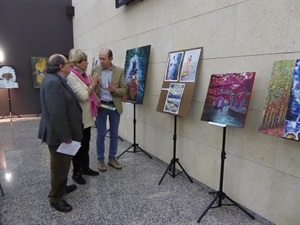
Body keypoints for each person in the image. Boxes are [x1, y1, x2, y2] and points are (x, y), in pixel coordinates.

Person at [38, 54, 83, 213]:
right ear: (60, 66)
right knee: (59, 167)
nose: (70, 65)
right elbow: (56, 113)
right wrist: (66, 137)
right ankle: (56, 198)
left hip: (61, 133)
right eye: (67, 63)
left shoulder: (56, 80)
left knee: (63, 165)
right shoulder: (52, 82)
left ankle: (62, 188)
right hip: (59, 135)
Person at [67, 49, 100, 185]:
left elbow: (90, 93)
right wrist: (93, 84)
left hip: (87, 117)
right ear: (77, 62)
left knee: (85, 145)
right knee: (78, 147)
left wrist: (95, 90)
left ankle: (85, 168)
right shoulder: (71, 76)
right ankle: (76, 173)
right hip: (79, 119)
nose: (87, 63)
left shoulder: (83, 74)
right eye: (85, 60)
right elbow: (83, 96)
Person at [91, 48, 127, 172]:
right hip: (101, 106)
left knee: (114, 134)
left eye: (103, 59)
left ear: (111, 59)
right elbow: (91, 90)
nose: (101, 61)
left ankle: (112, 158)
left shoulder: (119, 71)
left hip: (114, 106)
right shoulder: (95, 70)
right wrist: (95, 85)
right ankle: (100, 160)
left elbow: (124, 89)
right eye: (100, 58)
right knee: (100, 134)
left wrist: (114, 90)